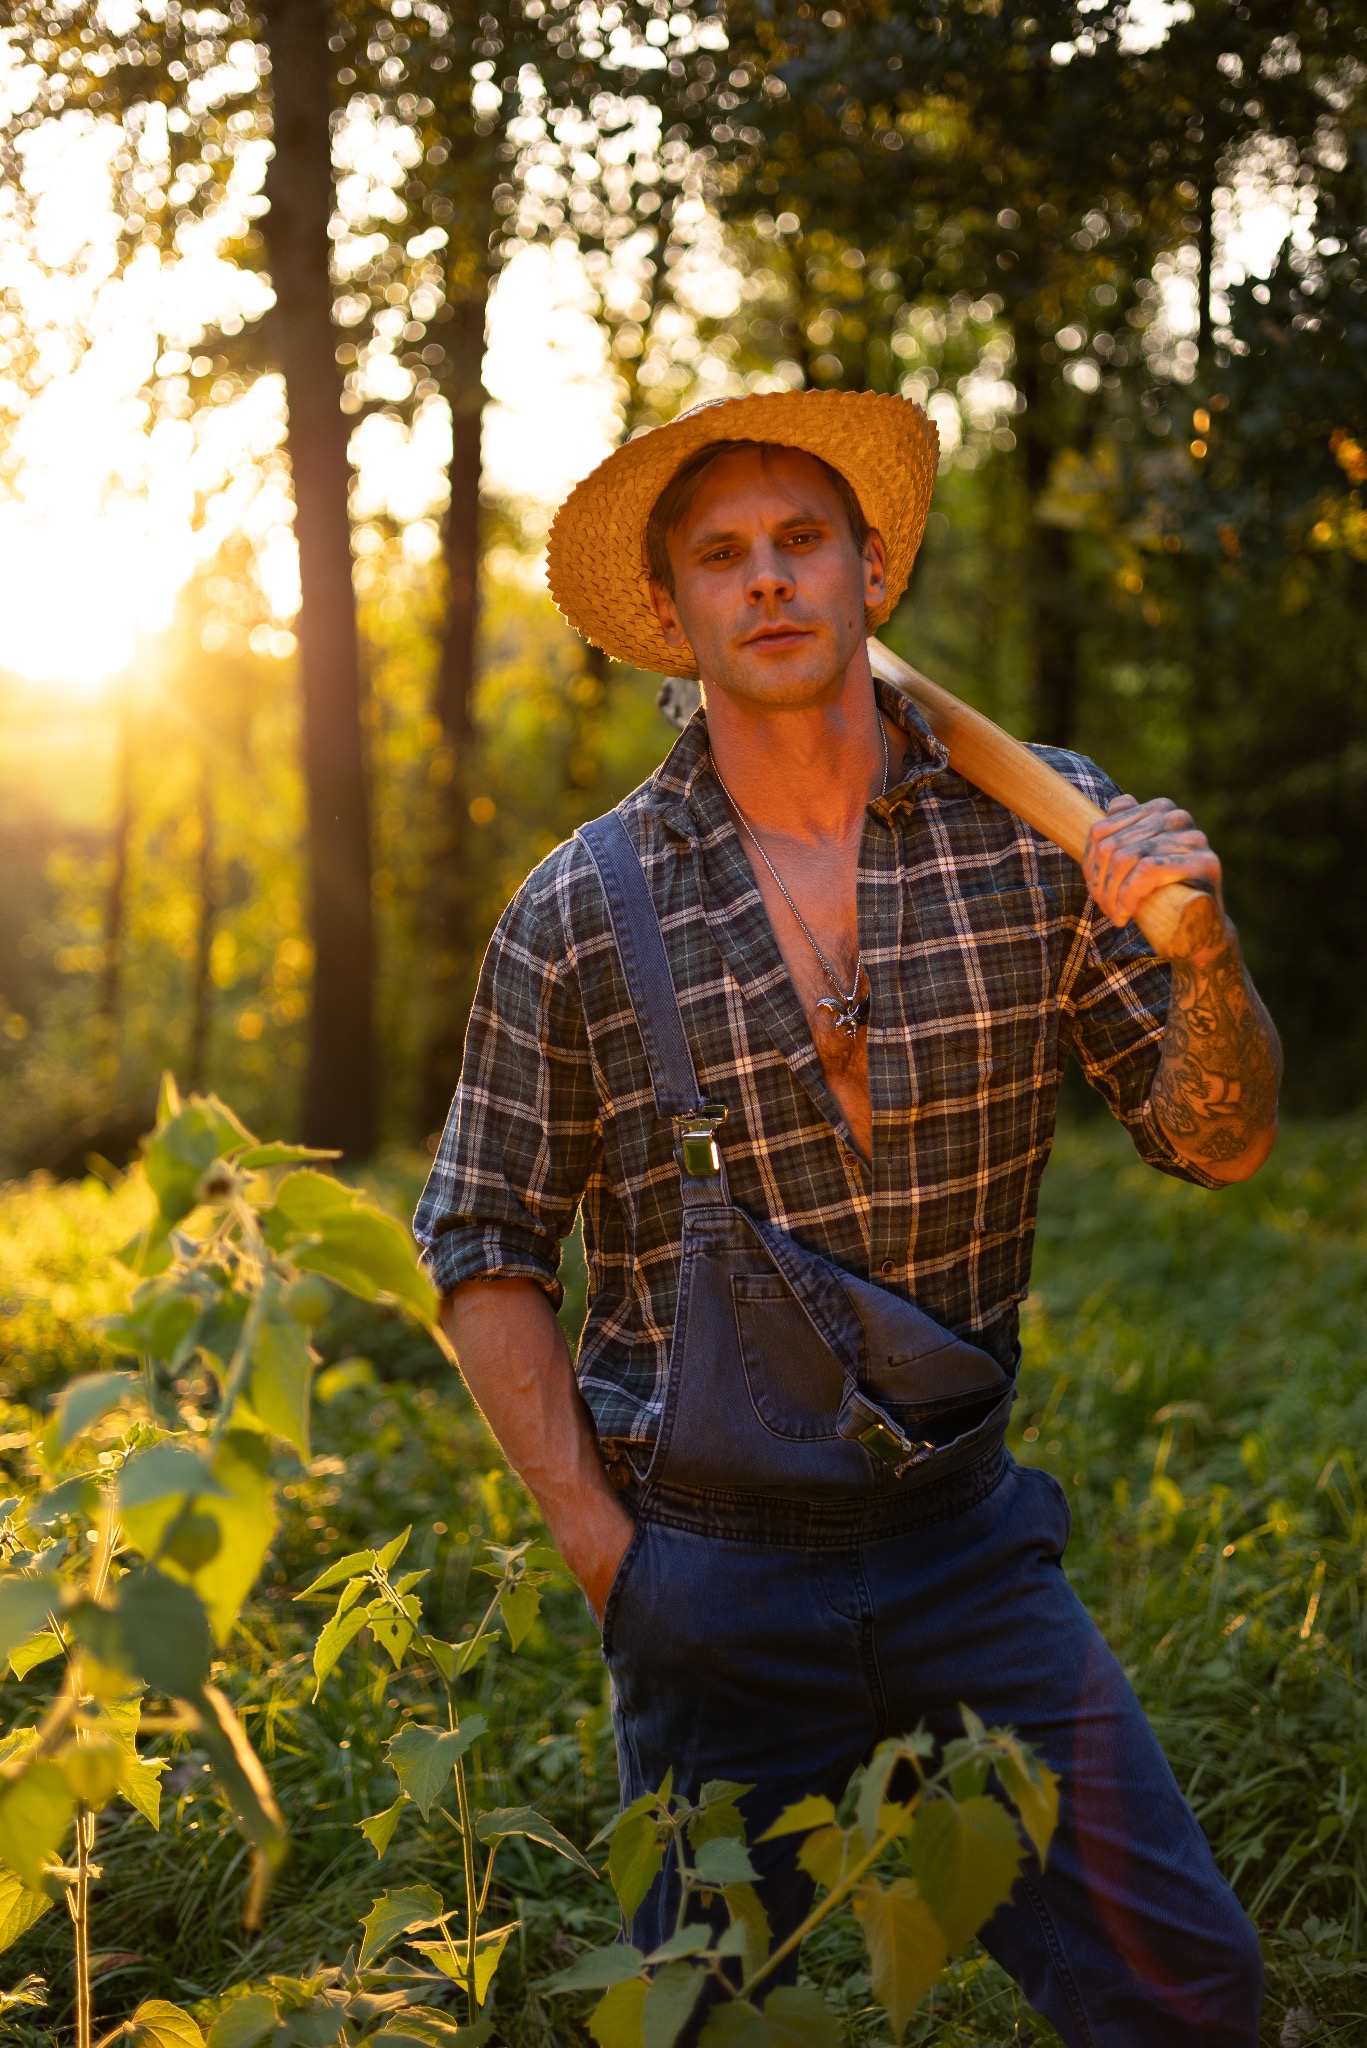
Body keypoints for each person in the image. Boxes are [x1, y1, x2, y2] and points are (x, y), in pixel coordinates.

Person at [414, 391, 1280, 2045]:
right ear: (669, 614)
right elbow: (479, 1240)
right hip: (712, 1578)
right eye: (722, 555)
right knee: (680, 2023)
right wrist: (614, 1562)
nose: (768, 582)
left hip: (968, 1547)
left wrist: (1206, 960)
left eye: (802, 540)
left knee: (1194, 1991)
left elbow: (1216, 1142)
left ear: (870, 571)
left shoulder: (1044, 834)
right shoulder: (583, 909)